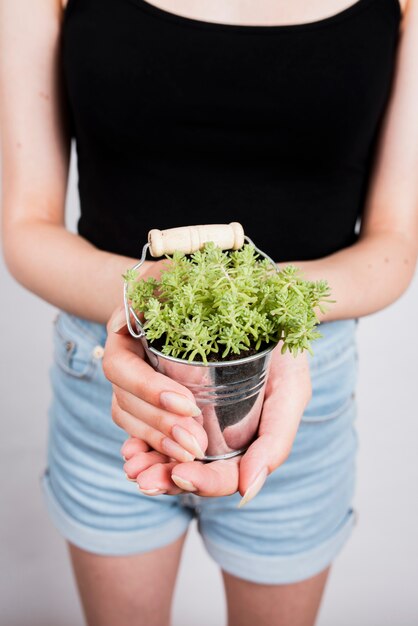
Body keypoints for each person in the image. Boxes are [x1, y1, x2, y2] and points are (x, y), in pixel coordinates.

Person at [1, 0, 417, 624]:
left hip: (302, 394)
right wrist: (148, 289)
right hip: (113, 386)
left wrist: (270, 306)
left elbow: (396, 246)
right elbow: (25, 229)